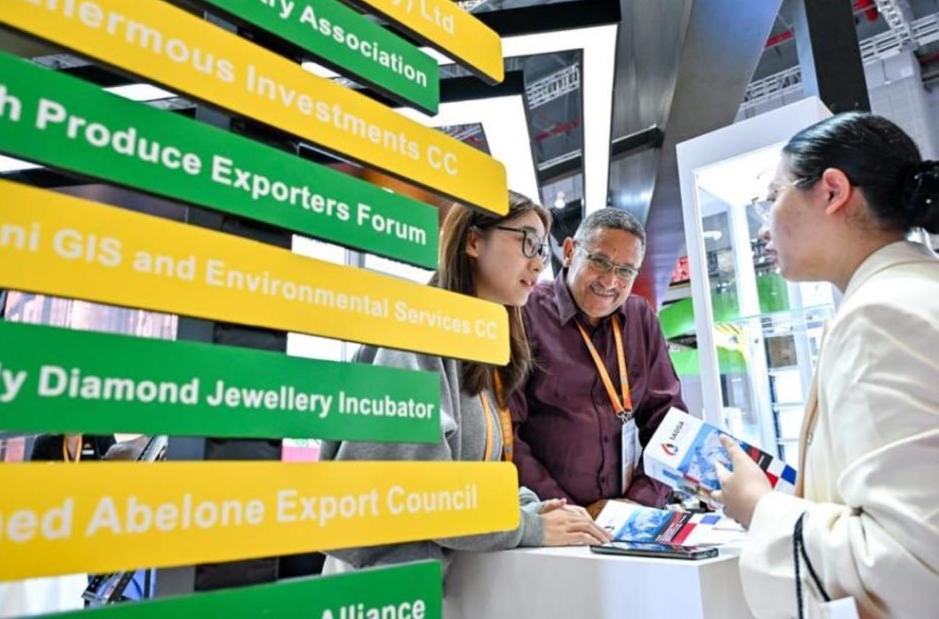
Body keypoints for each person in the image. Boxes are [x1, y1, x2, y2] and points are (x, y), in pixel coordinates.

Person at [713, 112, 939, 618]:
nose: (765, 222)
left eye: (772, 197)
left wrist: (758, 507)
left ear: (832, 191)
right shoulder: (914, 293)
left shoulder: (882, 315)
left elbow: (913, 565)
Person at [320, 191, 609, 573]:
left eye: (542, 249)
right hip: (376, 587)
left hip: (430, 582)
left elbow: (473, 469)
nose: (539, 261)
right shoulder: (418, 328)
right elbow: (421, 493)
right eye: (527, 242)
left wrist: (524, 504)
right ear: (473, 241)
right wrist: (529, 525)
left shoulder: (478, 346)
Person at [510, 207, 687, 517]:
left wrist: (638, 503)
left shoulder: (641, 318)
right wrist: (569, 513)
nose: (610, 280)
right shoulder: (525, 312)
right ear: (569, 252)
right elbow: (506, 430)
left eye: (625, 270)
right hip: (549, 523)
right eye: (600, 261)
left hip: (628, 523)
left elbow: (672, 424)